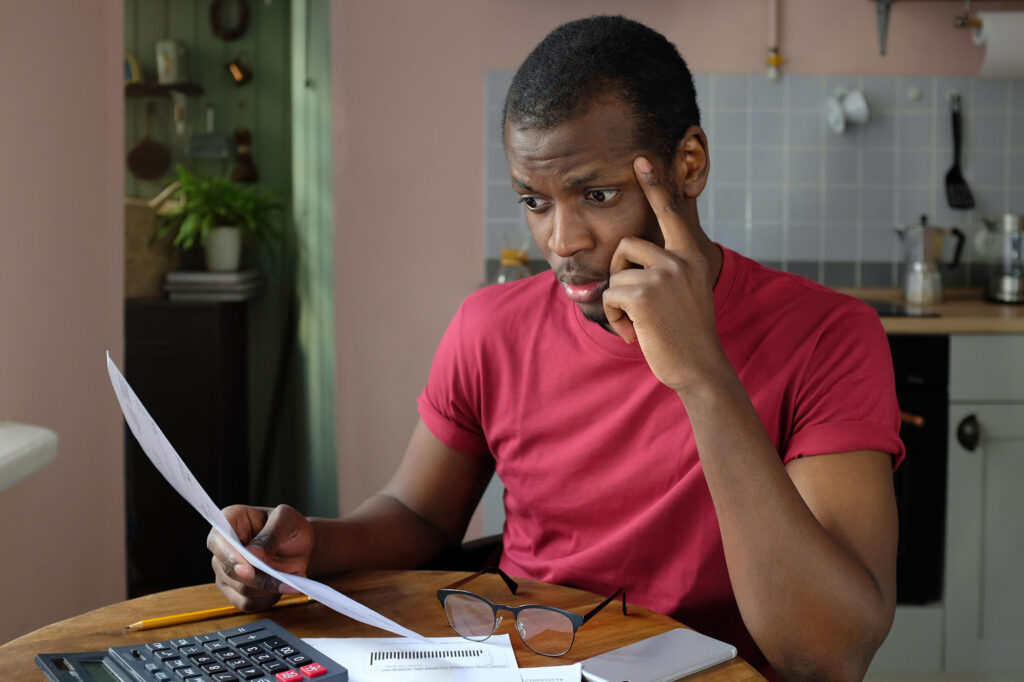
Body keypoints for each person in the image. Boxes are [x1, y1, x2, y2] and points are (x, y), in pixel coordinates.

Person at [207, 15, 904, 681]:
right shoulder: (490, 328)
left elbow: (827, 657)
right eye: (533, 201)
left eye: (596, 195)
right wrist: (309, 547)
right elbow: (421, 515)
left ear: (687, 165)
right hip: (529, 666)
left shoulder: (828, 336)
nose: (561, 242)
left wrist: (701, 373)